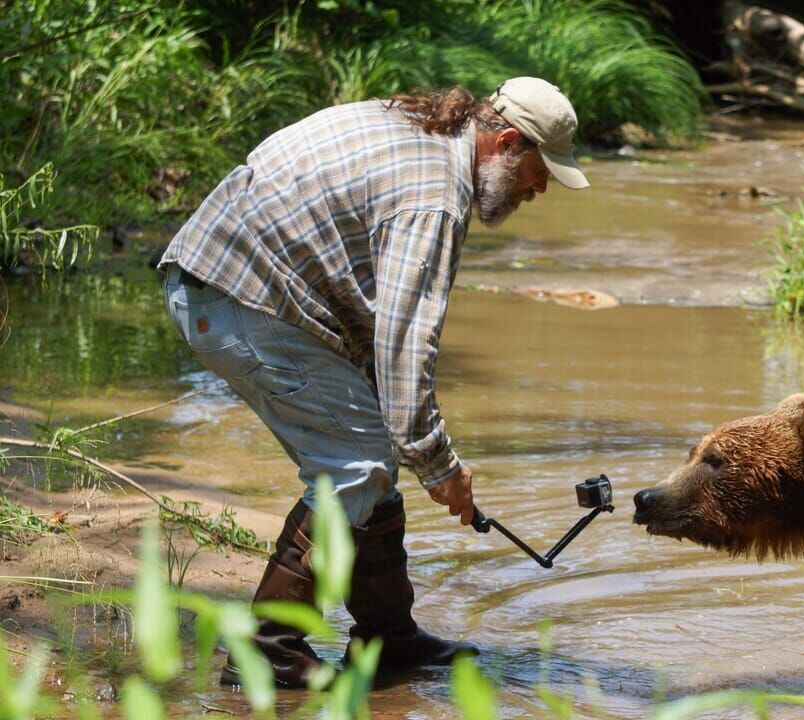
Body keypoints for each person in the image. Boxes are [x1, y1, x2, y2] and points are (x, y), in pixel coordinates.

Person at [157, 77, 589, 687]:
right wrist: (442, 469)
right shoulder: (435, 197)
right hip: (237, 295)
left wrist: (414, 449)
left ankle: (388, 642)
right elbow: (406, 353)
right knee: (356, 467)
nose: (540, 189)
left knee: (371, 451)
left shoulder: (427, 133)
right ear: (508, 142)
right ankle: (266, 654)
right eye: (541, 171)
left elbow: (376, 329)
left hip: (231, 282)